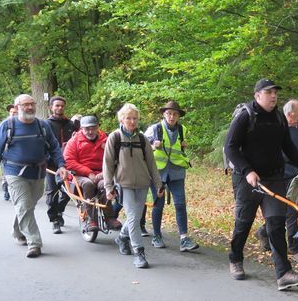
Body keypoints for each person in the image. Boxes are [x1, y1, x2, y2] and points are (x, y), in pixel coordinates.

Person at [224, 78, 298, 291]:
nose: (273, 95)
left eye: (275, 92)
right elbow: (230, 148)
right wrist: (247, 170)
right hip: (248, 180)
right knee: (244, 223)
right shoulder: (246, 116)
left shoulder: (279, 117)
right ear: (257, 95)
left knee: (276, 225)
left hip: (273, 178)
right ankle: (235, 259)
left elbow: (288, 147)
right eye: (268, 92)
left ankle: (283, 274)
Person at [0, 94, 67, 258]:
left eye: (31, 104)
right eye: (25, 104)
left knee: (27, 205)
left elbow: (54, 147)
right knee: (24, 205)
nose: (29, 107)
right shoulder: (7, 126)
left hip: (38, 172)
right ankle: (34, 243)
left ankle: (17, 231)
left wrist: (61, 165)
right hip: (14, 173)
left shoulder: (42, 126)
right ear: (17, 107)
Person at [103, 103, 163, 269]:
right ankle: (139, 252)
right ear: (121, 118)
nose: (132, 121)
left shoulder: (143, 139)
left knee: (134, 218)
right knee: (133, 218)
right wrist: (109, 187)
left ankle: (122, 237)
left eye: (135, 118)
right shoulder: (114, 138)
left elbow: (152, 164)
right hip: (124, 184)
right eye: (128, 118)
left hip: (143, 183)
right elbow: (107, 165)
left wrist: (158, 184)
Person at [255, 99, 298, 264]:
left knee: (286, 211)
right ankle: (295, 247)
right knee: (291, 211)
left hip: (297, 175)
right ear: (290, 114)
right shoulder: (276, 129)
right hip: (281, 176)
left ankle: (264, 231)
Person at [144, 100, 198, 252]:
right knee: (158, 204)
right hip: (158, 173)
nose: (172, 116)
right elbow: (143, 144)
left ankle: (184, 239)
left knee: (180, 204)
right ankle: (157, 236)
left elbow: (184, 145)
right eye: (169, 113)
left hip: (176, 171)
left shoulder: (183, 130)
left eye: (175, 114)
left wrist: (184, 145)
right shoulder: (154, 128)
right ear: (164, 114)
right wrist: (152, 144)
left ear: (179, 116)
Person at [63, 115, 122, 232]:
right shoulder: (74, 141)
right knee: (88, 184)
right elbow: (69, 161)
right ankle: (91, 219)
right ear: (81, 129)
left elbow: (114, 158)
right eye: (86, 129)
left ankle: (109, 217)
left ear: (98, 127)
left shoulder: (105, 139)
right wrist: (88, 172)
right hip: (80, 174)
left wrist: (103, 173)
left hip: (101, 173)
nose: (90, 131)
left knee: (107, 184)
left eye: (93, 128)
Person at [45, 96, 76, 233]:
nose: (60, 108)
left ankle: (59, 212)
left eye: (62, 106)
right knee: (52, 191)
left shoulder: (71, 124)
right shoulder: (46, 124)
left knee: (69, 191)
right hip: (51, 163)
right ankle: (55, 220)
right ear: (51, 107)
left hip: (69, 163)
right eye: (57, 106)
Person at [0, 104, 16, 201]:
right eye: (11, 112)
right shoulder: (5, 125)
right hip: (5, 154)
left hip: (16, 156)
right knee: (6, 175)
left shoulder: (24, 125)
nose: (13, 114)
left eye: (15, 113)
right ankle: (6, 189)